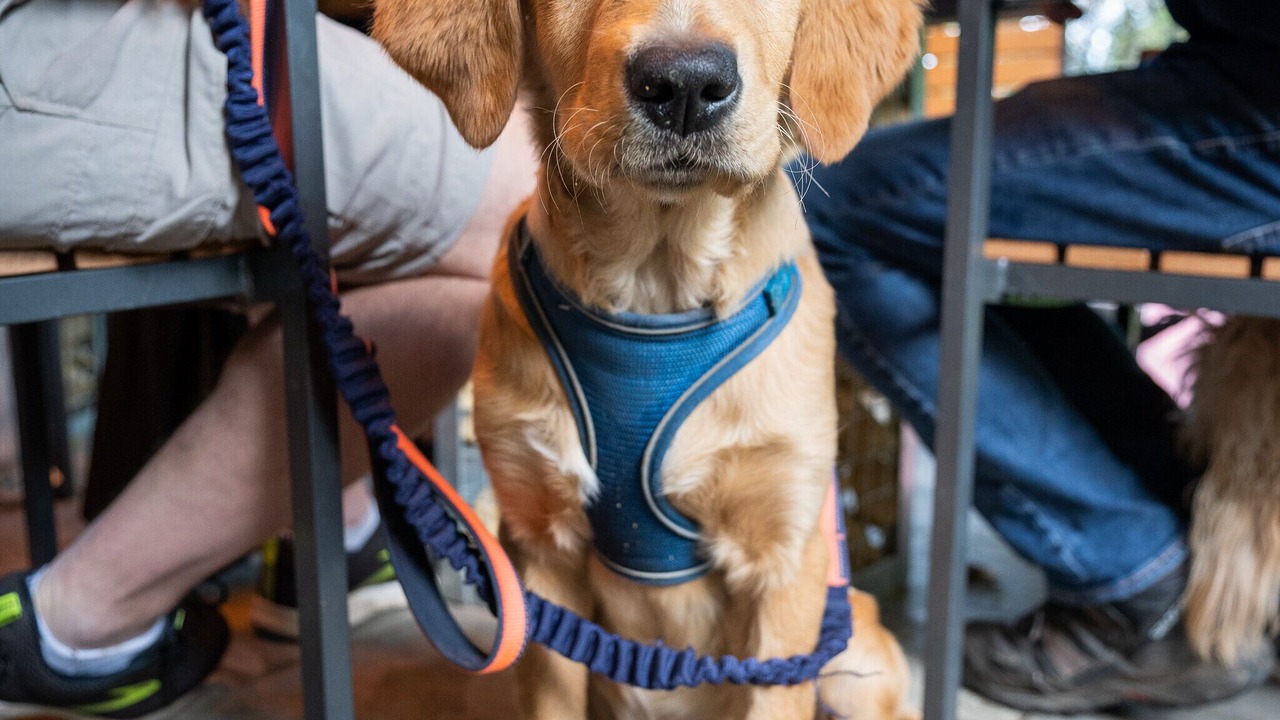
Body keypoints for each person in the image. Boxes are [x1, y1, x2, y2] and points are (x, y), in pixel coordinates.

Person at [0, 0, 536, 716]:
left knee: (399, 198)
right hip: (38, 56)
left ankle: (327, 535)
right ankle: (77, 625)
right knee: (524, 203)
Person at [800, 0, 1280, 713]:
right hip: (1236, 72)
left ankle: (1132, 576)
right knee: (954, 214)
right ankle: (1164, 523)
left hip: (1258, 108)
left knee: (834, 205)